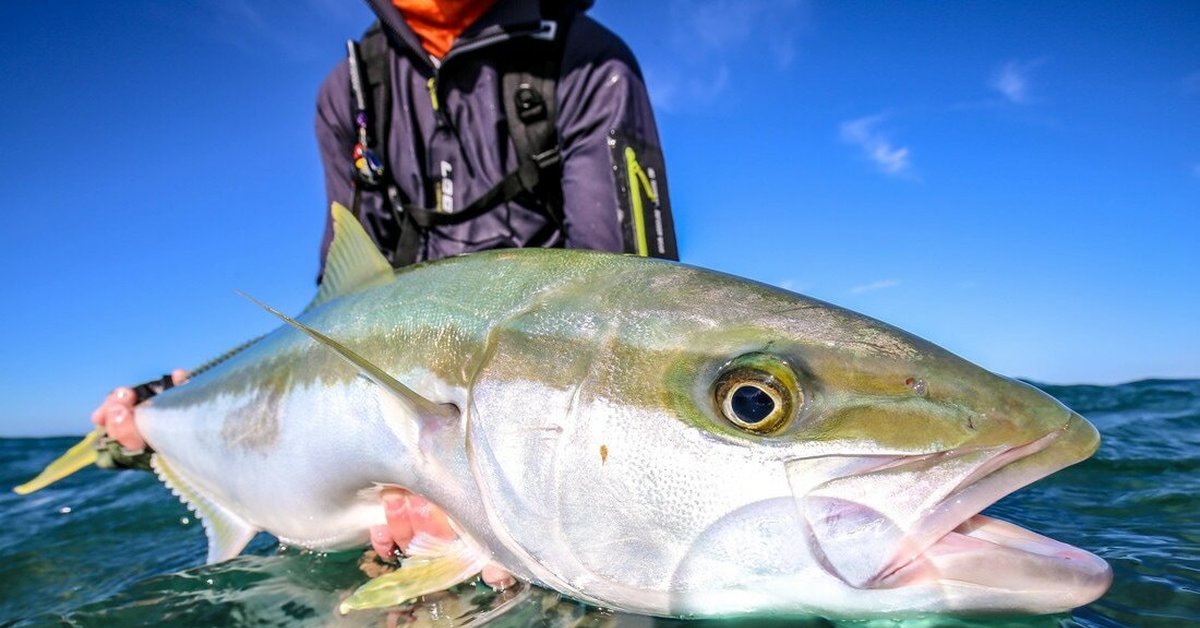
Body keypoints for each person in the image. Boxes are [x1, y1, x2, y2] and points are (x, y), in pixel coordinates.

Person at [91, 0, 676, 591]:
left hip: (523, 404)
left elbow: (626, 307)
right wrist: (173, 406)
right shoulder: (350, 90)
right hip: (399, 398)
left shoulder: (587, 59)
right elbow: (341, 297)